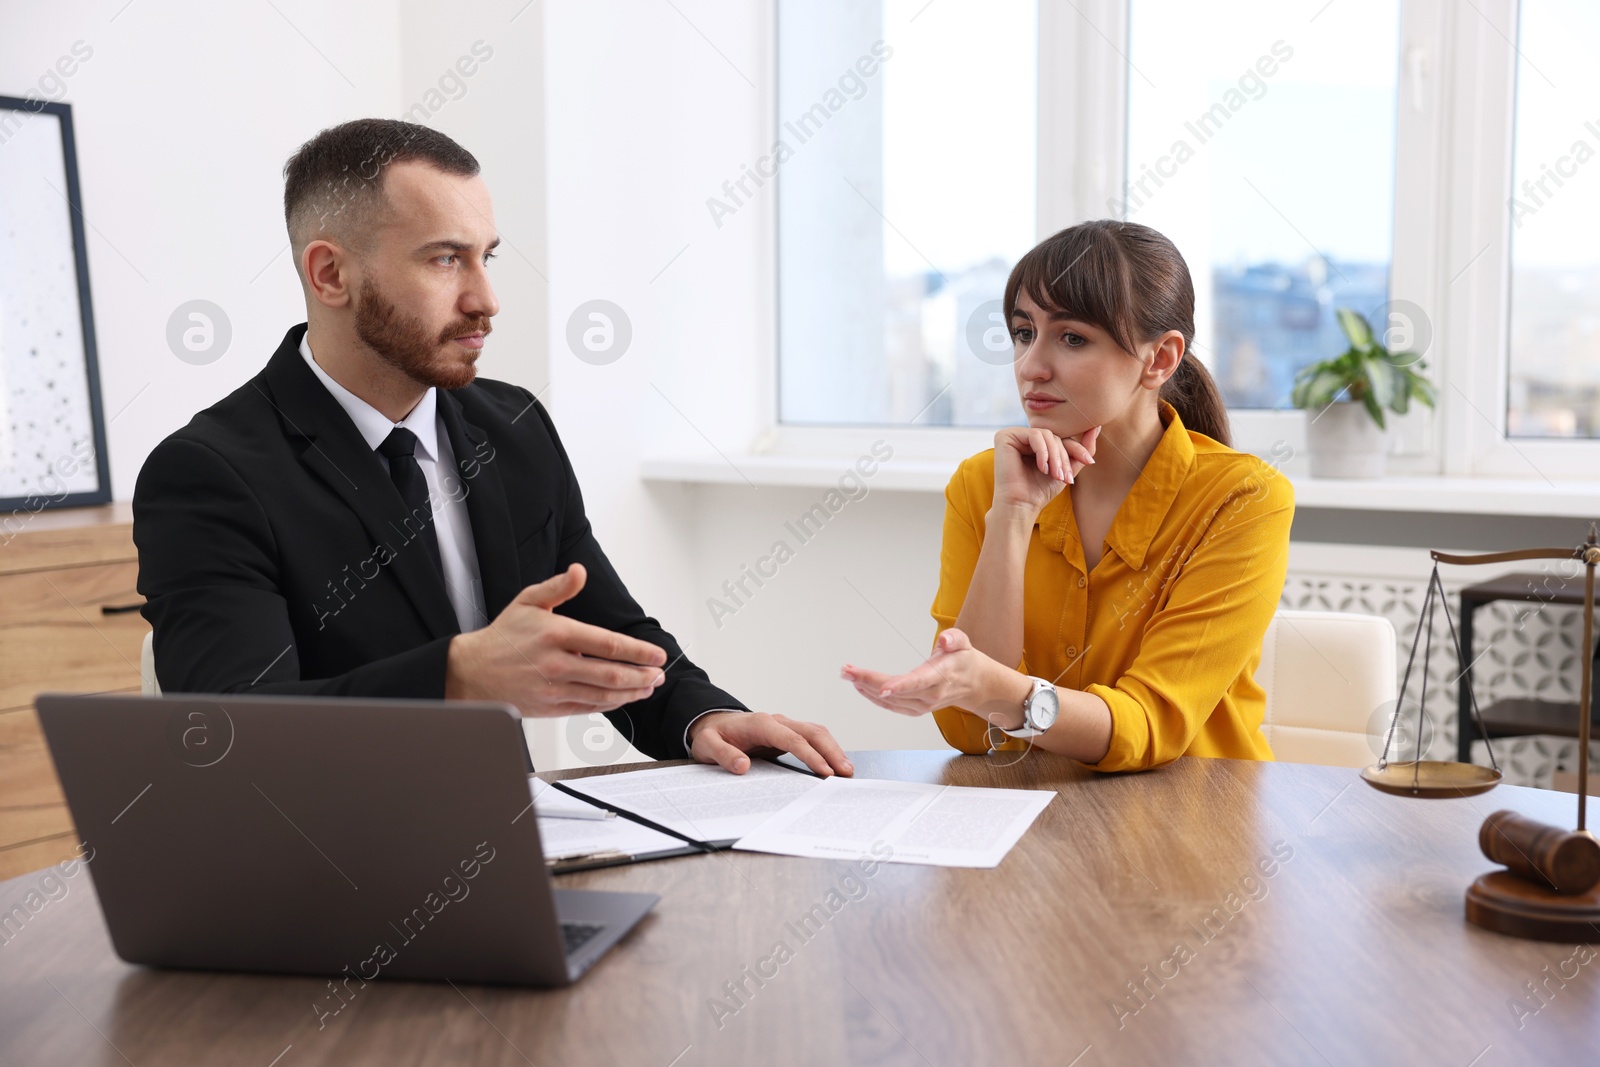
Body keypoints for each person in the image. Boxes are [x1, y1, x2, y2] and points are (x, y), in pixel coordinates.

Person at [134, 118, 851, 778]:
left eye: (487, 257)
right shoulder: (208, 473)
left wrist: (702, 716)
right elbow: (230, 731)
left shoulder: (514, 427)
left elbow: (601, 625)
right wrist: (455, 675)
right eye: (446, 260)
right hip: (329, 871)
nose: (486, 297)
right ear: (330, 274)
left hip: (517, 841)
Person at [840, 220, 1293, 771]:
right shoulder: (983, 484)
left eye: (1072, 338)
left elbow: (1150, 725)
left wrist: (1003, 694)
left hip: (1192, 823)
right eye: (1024, 332)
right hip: (1025, 820)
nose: (1031, 366)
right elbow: (968, 728)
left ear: (1160, 359)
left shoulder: (1243, 498)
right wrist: (1012, 515)